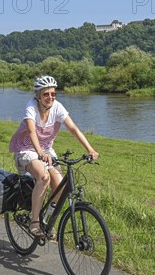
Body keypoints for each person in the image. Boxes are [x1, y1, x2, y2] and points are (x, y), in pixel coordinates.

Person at [9, 75, 99, 238]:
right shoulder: (31, 107)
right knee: (44, 177)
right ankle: (34, 223)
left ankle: (45, 217)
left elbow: (73, 129)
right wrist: (40, 153)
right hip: (26, 149)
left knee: (60, 187)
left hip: (46, 150)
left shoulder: (57, 107)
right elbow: (31, 131)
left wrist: (91, 149)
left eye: (53, 94)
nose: (50, 97)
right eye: (46, 94)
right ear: (38, 95)